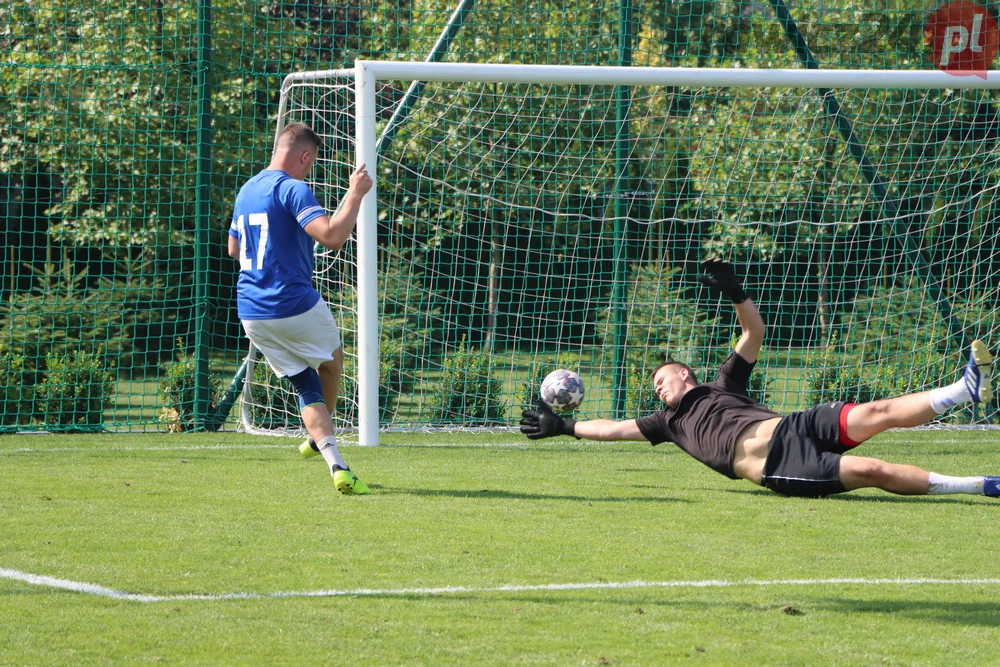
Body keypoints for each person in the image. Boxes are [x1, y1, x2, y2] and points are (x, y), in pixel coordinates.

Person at [521, 258, 1000, 499]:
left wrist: (733, 290)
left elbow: (754, 330)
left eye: (662, 380)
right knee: (872, 471)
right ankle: (983, 485)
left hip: (794, 425)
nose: (658, 388)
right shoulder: (667, 423)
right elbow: (610, 429)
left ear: (684, 374)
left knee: (876, 412)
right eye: (655, 389)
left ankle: (965, 389)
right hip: (777, 465)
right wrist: (562, 427)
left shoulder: (723, 383)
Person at [228, 121, 373, 495]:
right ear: (305, 156)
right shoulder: (292, 188)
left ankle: (326, 450)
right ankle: (330, 448)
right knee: (334, 360)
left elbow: (233, 249)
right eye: (311, 163)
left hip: (252, 312)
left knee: (304, 380)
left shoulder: (247, 189)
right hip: (293, 303)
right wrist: (355, 194)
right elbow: (332, 237)